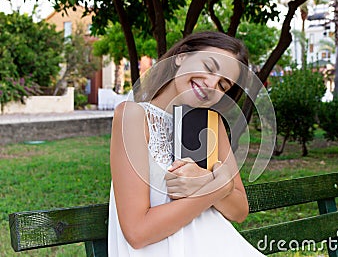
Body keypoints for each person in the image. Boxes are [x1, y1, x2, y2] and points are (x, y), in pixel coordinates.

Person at [108, 31, 265, 256]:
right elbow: (137, 232)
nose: (211, 84)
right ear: (181, 56)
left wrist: (204, 180)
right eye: (209, 67)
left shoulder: (212, 124)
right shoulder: (133, 116)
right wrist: (217, 186)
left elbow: (239, 210)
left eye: (223, 85)